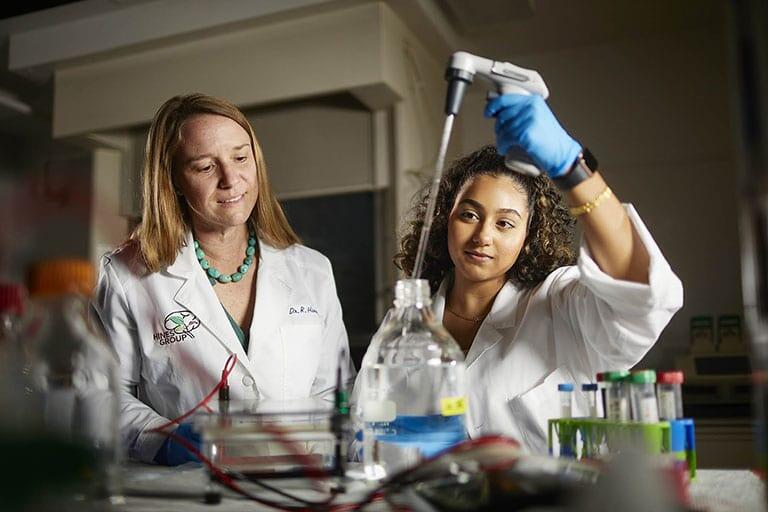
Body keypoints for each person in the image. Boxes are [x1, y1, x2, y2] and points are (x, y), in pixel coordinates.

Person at [394, 94, 683, 453]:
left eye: (505, 223)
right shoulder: (405, 324)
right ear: (445, 220)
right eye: (469, 215)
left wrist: (571, 168)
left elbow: (639, 295)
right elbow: (372, 430)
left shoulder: (556, 303)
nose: (483, 235)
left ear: (527, 237)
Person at [92, 93, 355, 465]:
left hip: (299, 486)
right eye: (204, 167)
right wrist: (163, 440)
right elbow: (103, 395)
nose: (231, 180)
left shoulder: (312, 270)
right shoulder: (127, 276)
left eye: (241, 158)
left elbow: (335, 388)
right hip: (190, 491)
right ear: (173, 181)